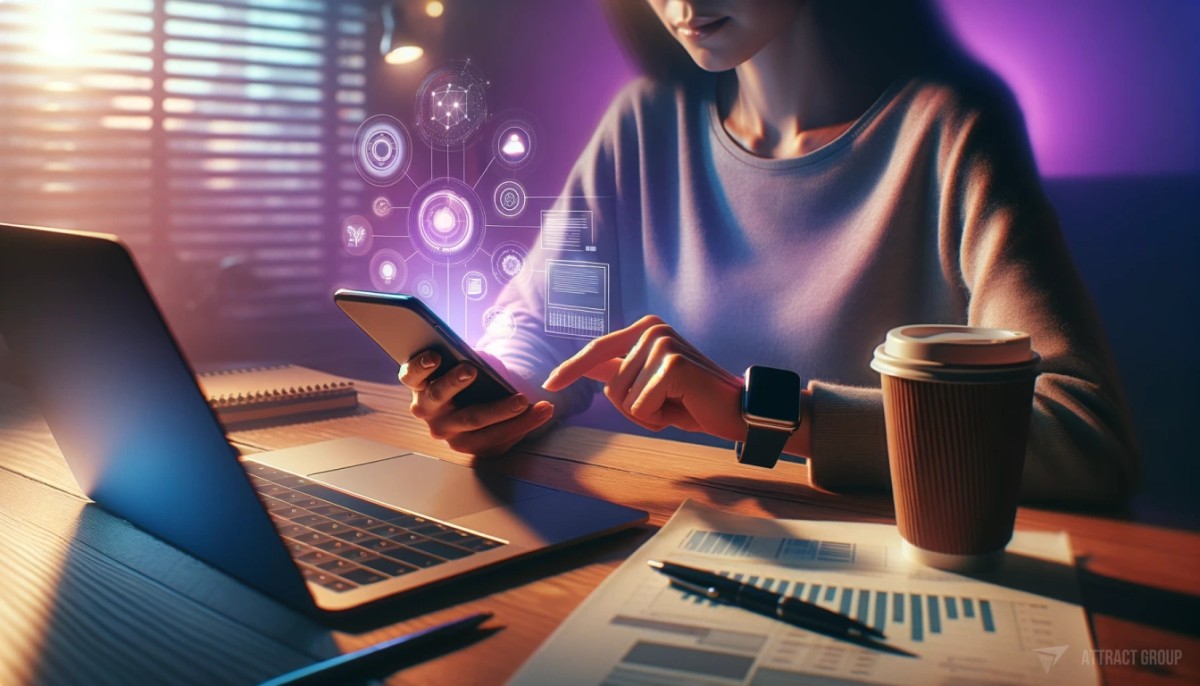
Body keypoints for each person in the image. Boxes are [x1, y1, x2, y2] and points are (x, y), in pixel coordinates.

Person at [399, 0, 1139, 504]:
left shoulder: (947, 128)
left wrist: (764, 413)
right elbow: (545, 325)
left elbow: (1082, 436)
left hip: (880, 570)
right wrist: (494, 389)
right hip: (664, 539)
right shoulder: (645, 122)